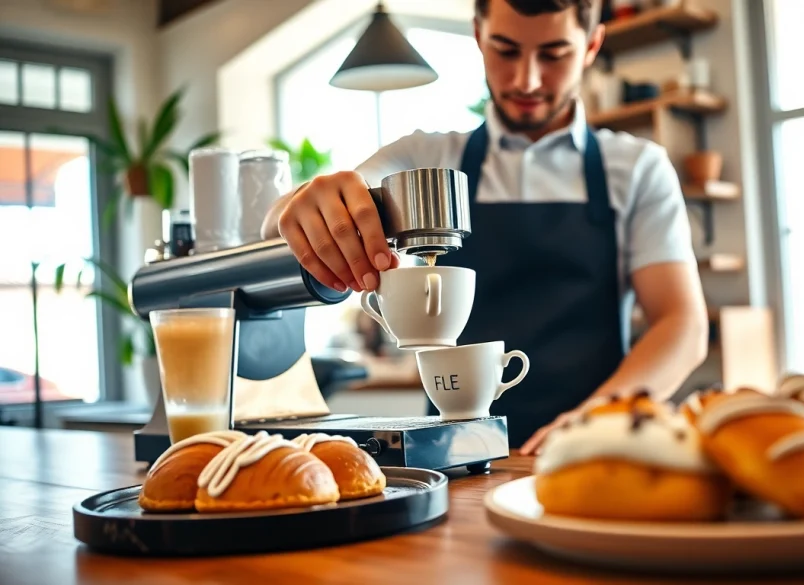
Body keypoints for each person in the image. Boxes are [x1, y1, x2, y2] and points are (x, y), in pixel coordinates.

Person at [262, 0, 710, 454]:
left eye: (554, 54)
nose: (526, 80)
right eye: (506, 50)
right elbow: (282, 222)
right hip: (453, 454)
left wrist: (595, 420)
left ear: (592, 45)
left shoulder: (637, 168)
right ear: (478, 36)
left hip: (590, 452)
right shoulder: (426, 159)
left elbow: (681, 324)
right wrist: (305, 209)